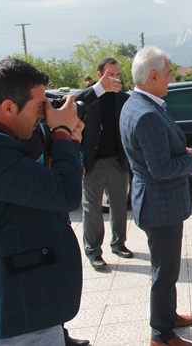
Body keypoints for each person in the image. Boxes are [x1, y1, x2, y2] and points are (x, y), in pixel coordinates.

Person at [0, 58, 85, 345]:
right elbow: (65, 194)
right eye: (38, 106)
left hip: (8, 308)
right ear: (8, 107)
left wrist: (67, 143)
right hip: (18, 314)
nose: (43, 115)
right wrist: (63, 133)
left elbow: (29, 186)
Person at [120, 46, 192, 346]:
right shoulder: (146, 114)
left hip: (156, 203)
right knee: (164, 272)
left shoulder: (139, 103)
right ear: (153, 75)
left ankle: (169, 316)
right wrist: (190, 161)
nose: (171, 79)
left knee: (167, 269)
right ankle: (161, 334)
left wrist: (183, 152)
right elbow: (161, 168)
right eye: (168, 74)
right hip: (160, 206)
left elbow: (158, 154)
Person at [75, 57, 133, 270]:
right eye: (110, 75)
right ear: (99, 75)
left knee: (119, 206)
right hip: (92, 164)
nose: (114, 79)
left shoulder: (123, 99)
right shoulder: (88, 98)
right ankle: (93, 252)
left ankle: (119, 244)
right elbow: (73, 108)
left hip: (118, 161)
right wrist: (80, 161)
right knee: (92, 210)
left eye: (118, 75)